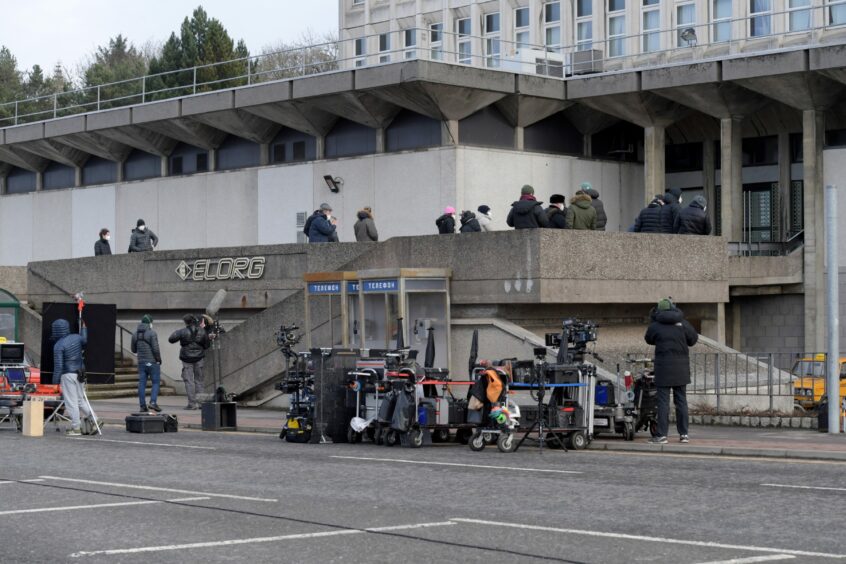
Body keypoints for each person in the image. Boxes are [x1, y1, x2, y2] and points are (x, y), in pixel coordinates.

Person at [644, 298, 698, 444]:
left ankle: (661, 435)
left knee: (663, 403)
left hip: (663, 370)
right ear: (674, 309)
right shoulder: (683, 324)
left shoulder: (655, 326)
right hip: (681, 370)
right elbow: (693, 340)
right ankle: (684, 434)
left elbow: (648, 339)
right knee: (681, 401)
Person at [52, 318, 100, 436]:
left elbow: (58, 366)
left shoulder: (58, 345)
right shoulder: (77, 337)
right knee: (80, 400)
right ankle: (95, 419)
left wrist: (55, 382)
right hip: (80, 373)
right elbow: (84, 340)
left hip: (67, 374)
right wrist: (84, 327)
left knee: (71, 402)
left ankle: (76, 428)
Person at [169, 314, 210, 410]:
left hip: (186, 358)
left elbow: (171, 339)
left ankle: (191, 404)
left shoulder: (182, 331)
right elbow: (207, 345)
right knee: (199, 381)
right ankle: (200, 404)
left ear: (186, 322)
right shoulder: (202, 331)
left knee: (189, 381)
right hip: (199, 358)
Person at [132, 314, 162, 413]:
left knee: (141, 383)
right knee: (156, 382)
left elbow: (133, 349)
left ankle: (142, 406)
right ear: (150, 323)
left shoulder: (135, 334)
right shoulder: (152, 333)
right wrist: (158, 359)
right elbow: (155, 348)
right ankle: (153, 402)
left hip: (141, 362)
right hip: (152, 362)